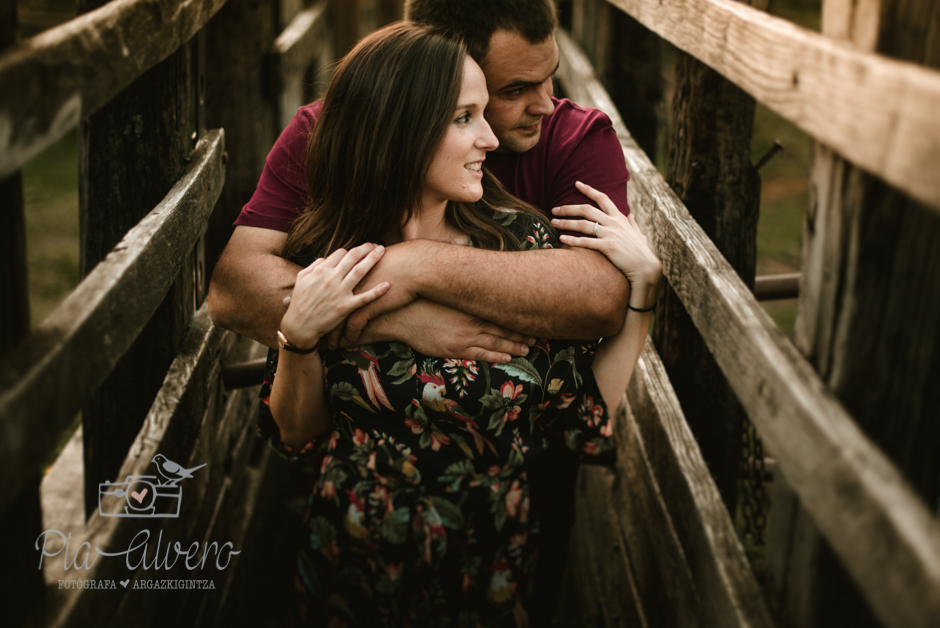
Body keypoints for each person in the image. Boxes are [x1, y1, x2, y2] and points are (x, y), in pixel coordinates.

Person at [206, 1, 634, 617]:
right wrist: (404, 320)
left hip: (506, 488)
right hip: (359, 524)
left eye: (550, 77)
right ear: (433, 68)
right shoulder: (338, 133)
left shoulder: (573, 137)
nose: (545, 103)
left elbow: (596, 298)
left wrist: (414, 266)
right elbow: (234, 287)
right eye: (514, 88)